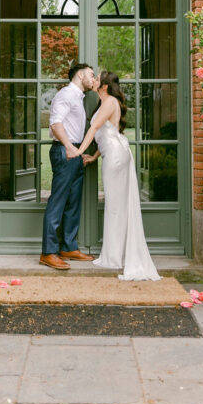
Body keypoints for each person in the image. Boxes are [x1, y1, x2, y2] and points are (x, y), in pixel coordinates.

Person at [76, 71, 161, 281]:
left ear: (104, 85)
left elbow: (96, 127)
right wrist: (95, 155)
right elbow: (107, 132)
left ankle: (115, 257)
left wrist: (78, 151)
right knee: (116, 205)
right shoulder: (105, 101)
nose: (93, 80)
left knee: (115, 206)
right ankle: (116, 253)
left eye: (97, 78)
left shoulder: (109, 101)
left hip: (115, 157)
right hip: (112, 152)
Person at [40, 62, 97, 270]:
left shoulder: (78, 97)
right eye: (91, 75)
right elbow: (56, 123)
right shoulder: (66, 95)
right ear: (80, 75)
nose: (94, 79)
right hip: (64, 152)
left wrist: (78, 151)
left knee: (73, 202)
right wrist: (69, 148)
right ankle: (48, 252)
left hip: (74, 152)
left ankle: (68, 247)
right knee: (58, 202)